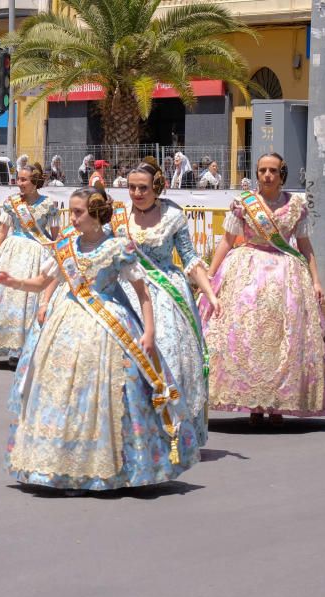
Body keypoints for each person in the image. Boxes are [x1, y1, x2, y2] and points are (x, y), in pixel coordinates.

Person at [0, 188, 196, 491]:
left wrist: (149, 332)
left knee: (112, 391)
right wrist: (15, 282)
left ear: (96, 214)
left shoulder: (118, 248)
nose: (72, 218)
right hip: (66, 321)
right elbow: (42, 283)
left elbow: (143, 294)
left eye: (78, 212)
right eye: (71, 211)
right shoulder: (65, 246)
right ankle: (62, 466)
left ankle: (113, 467)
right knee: (60, 391)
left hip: (109, 325)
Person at [199, 153, 325, 423]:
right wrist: (211, 274)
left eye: (272, 170)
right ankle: (254, 403)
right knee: (247, 337)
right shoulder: (244, 204)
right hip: (247, 273)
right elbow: (227, 241)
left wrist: (317, 280)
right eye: (262, 170)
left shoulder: (295, 206)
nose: (267, 175)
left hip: (287, 275)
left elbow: (305, 247)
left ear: (281, 173)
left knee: (285, 339)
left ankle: (277, 404)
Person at [114, 158, 221, 455]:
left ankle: (174, 432)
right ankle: (135, 433)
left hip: (166, 293)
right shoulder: (118, 217)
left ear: (157, 187)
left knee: (172, 359)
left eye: (143, 188)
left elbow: (188, 257)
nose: (136, 193)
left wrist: (211, 294)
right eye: (132, 188)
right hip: (128, 291)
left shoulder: (173, 215)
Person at [0, 162, 58, 359]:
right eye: (18, 179)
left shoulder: (49, 205)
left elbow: (55, 238)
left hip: (38, 255)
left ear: (35, 182)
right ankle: (11, 346)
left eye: (24, 180)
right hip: (12, 252)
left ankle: (28, 347)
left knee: (31, 300)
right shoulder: (12, 202)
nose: (19, 183)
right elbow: (3, 231)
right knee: (8, 299)